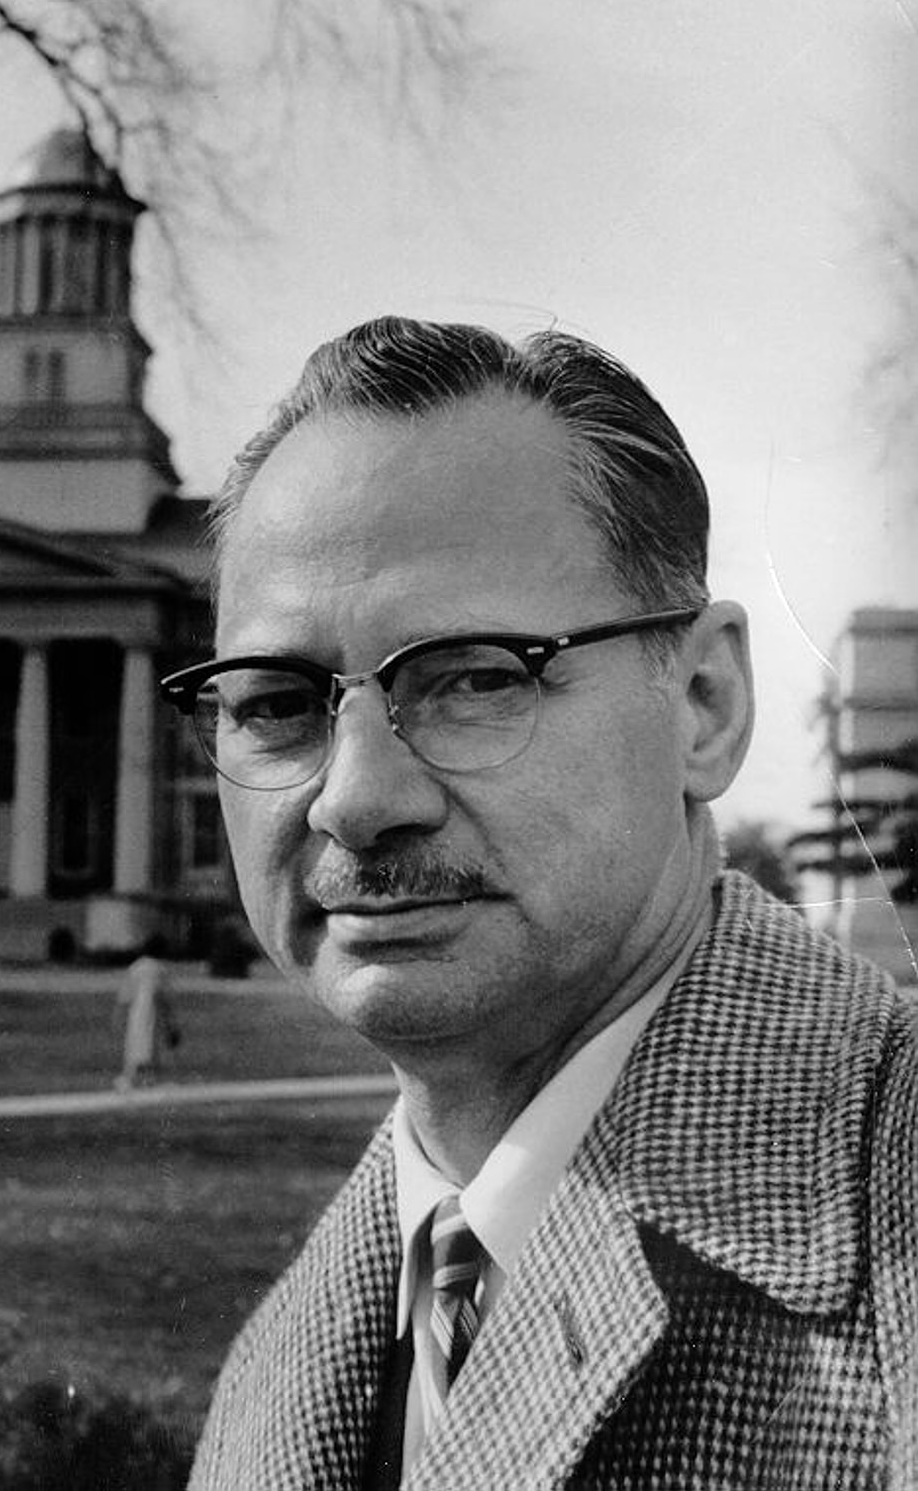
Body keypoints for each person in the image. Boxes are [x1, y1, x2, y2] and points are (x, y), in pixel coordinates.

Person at [163, 317, 918, 1490]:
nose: (355, 801)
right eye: (276, 704)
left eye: (474, 677)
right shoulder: (283, 1364)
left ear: (705, 704)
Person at [114, 936, 179, 1090]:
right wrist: (171, 1024)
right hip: (152, 1011)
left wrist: (119, 1017)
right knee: (150, 1044)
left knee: (135, 1043)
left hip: (135, 1012)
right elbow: (164, 997)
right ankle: (146, 1079)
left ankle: (132, 1077)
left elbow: (124, 996)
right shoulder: (160, 969)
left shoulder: (135, 967)